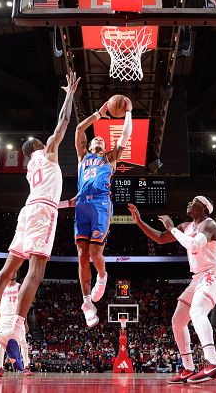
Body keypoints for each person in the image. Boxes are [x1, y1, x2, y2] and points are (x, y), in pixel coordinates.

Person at [0, 71, 80, 359]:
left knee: (8, 270)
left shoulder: (31, 168)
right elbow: (64, 123)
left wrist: (68, 203)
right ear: (40, 146)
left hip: (29, 209)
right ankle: (15, 329)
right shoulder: (49, 153)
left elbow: (46, 195)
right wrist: (69, 95)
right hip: (42, 212)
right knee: (36, 270)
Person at [128, 197, 216, 384]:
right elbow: (159, 238)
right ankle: (188, 368)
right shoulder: (185, 226)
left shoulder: (210, 225)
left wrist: (171, 227)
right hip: (198, 277)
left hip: (213, 274)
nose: (189, 202)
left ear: (204, 208)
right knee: (178, 321)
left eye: (194, 200)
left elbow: (194, 245)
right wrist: (139, 222)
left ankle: (213, 364)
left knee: (197, 311)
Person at [74, 98, 133, 327]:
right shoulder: (82, 158)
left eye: (102, 139)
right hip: (81, 205)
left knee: (95, 253)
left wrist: (128, 112)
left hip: (100, 205)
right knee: (81, 255)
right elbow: (80, 129)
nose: (99, 139)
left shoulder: (109, 158)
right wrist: (98, 114)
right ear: (89, 146)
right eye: (96, 138)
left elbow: (125, 136)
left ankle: (103, 275)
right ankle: (87, 303)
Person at [0, 272, 32, 378]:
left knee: (23, 342)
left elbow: (24, 304)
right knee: (1, 342)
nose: (13, 273)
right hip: (4, 318)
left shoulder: (19, 287)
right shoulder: (2, 286)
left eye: (15, 271)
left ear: (17, 274)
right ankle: (0, 367)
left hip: (16, 317)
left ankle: (26, 367)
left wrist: (25, 321)